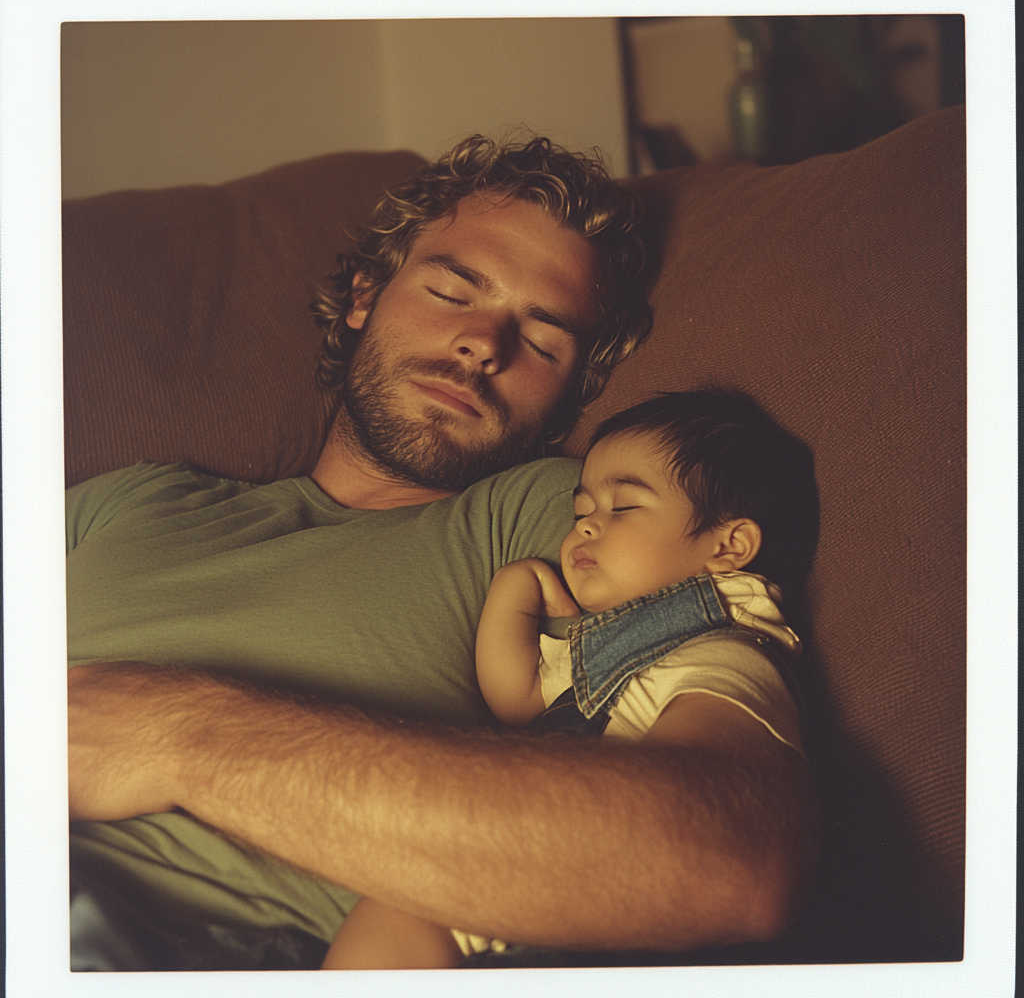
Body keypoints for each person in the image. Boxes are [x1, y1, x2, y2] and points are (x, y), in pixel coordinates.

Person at [66, 135, 817, 971]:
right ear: (363, 296)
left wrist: (180, 734)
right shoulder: (126, 501)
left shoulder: (562, 525)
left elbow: (733, 856)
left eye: (543, 340)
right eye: (454, 290)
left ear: (574, 393)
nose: (482, 343)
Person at [321, 389, 813, 969]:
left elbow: (712, 813)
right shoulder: (609, 647)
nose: (585, 528)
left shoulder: (723, 650)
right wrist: (514, 587)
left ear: (728, 546)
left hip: (588, 919)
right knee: (398, 902)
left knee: (401, 906)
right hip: (505, 904)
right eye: (581, 513)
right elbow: (519, 700)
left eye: (623, 508)